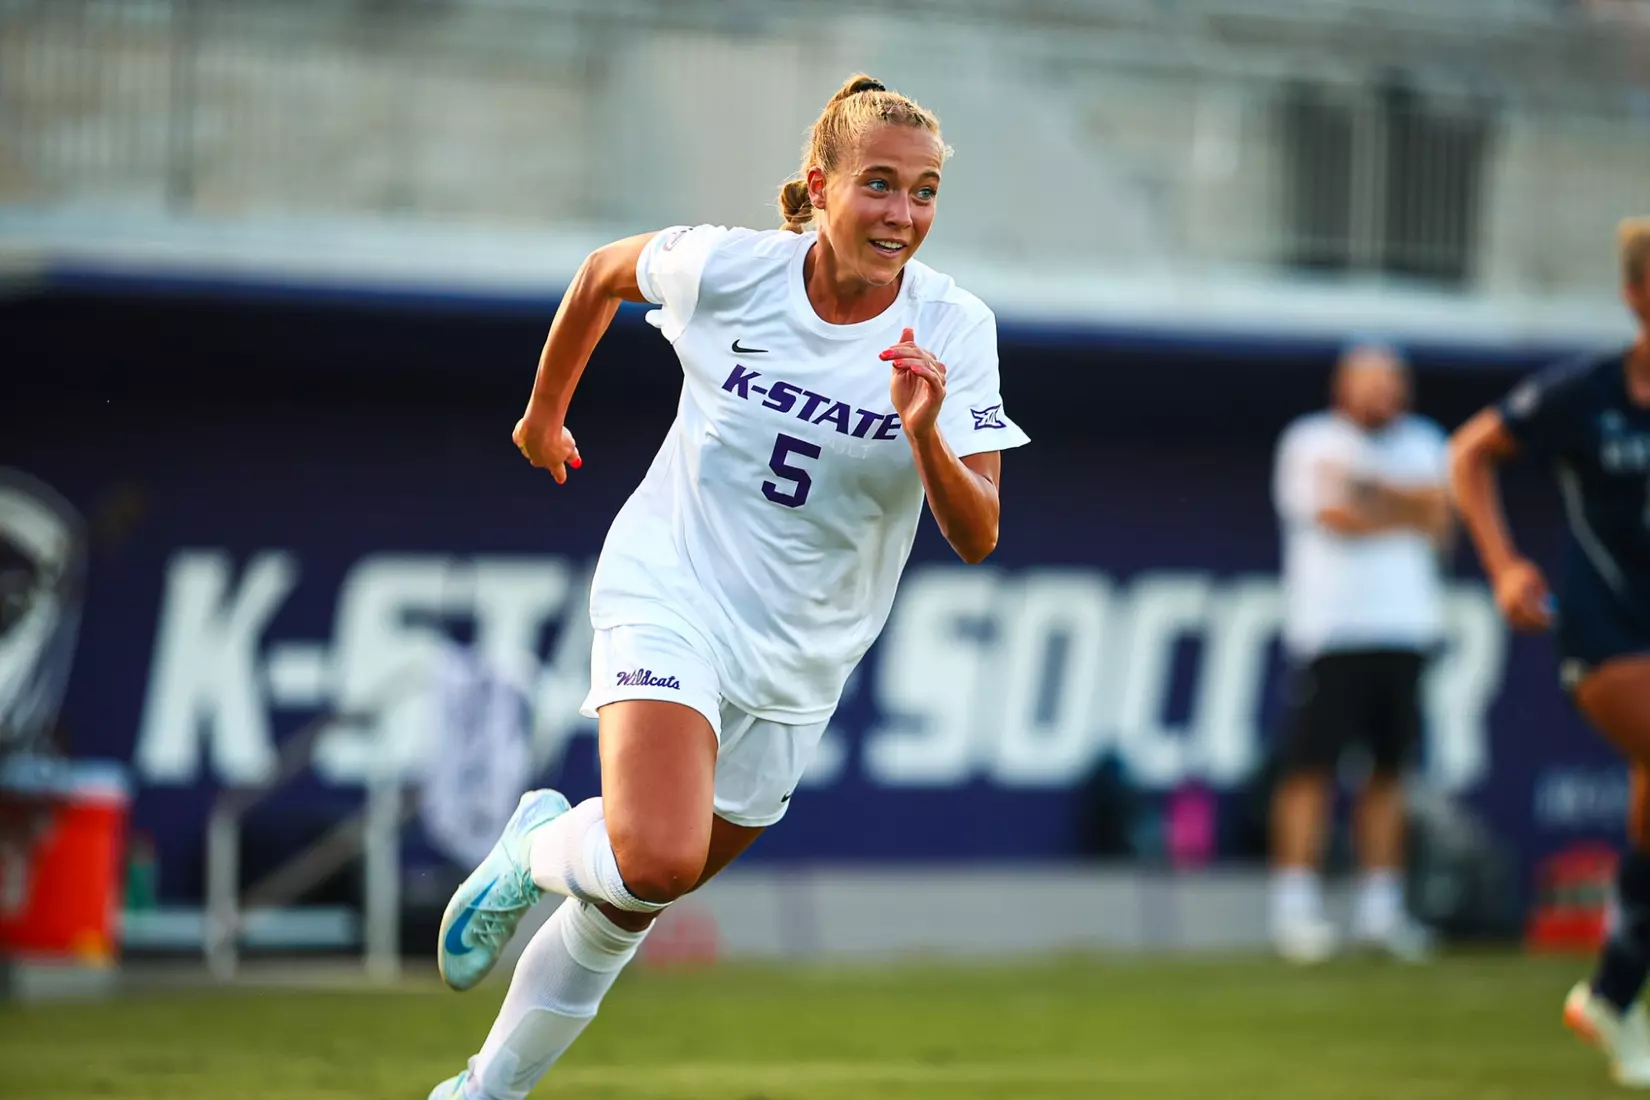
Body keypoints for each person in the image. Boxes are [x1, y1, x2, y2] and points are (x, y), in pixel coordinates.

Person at [426, 74, 1029, 1100]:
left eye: (924, 193)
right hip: (673, 587)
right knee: (652, 856)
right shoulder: (733, 268)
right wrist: (541, 414)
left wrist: (923, 430)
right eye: (879, 185)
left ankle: (488, 1062)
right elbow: (602, 275)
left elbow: (977, 533)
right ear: (821, 185)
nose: (903, 215)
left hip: (803, 655)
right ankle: (533, 878)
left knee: (624, 902)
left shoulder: (954, 328)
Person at [1450, 216, 1650, 1088]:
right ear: (1636, 295)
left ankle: (1613, 991)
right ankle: (1614, 990)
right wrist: (1501, 567)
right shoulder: (1587, 392)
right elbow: (1469, 455)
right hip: (1603, 631)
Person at [1269, 343, 1452, 964]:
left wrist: (1372, 492)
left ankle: (1381, 908)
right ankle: (1295, 908)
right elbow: (1333, 514)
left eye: (1393, 384)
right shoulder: (1311, 440)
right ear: (1343, 387)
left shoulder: (1426, 441)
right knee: (1310, 771)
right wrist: (1405, 505)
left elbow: (1441, 519)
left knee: (1389, 773)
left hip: (1405, 630)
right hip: (1333, 631)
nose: (1384, 396)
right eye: (1372, 384)